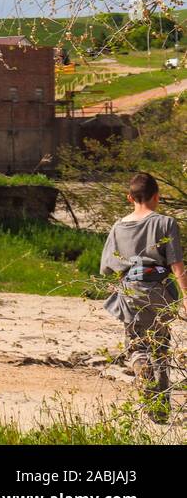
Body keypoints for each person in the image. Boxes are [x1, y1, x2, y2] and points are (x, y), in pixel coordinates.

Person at [99, 172, 187, 423]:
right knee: (160, 347)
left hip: (130, 291)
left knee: (137, 345)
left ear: (130, 198)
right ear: (157, 196)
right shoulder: (165, 223)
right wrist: (185, 296)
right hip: (158, 289)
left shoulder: (118, 226)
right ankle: (159, 413)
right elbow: (176, 264)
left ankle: (140, 368)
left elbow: (109, 267)